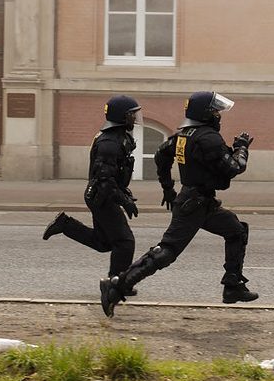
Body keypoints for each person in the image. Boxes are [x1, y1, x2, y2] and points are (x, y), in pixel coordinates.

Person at [99, 91, 256, 317]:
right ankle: (115, 286)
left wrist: (168, 189)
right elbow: (233, 167)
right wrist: (242, 147)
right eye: (215, 111)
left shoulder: (185, 134)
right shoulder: (207, 137)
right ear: (205, 113)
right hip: (194, 204)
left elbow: (162, 155)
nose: (218, 116)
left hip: (200, 201)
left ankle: (232, 287)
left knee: (236, 230)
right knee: (167, 252)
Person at [42, 95, 141, 289]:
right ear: (122, 116)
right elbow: (105, 179)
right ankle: (117, 284)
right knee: (124, 242)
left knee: (103, 242)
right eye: (132, 115)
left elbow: (116, 174)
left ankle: (65, 224)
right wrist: (124, 200)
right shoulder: (109, 143)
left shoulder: (119, 136)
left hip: (103, 195)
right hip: (102, 197)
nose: (135, 119)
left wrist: (125, 194)